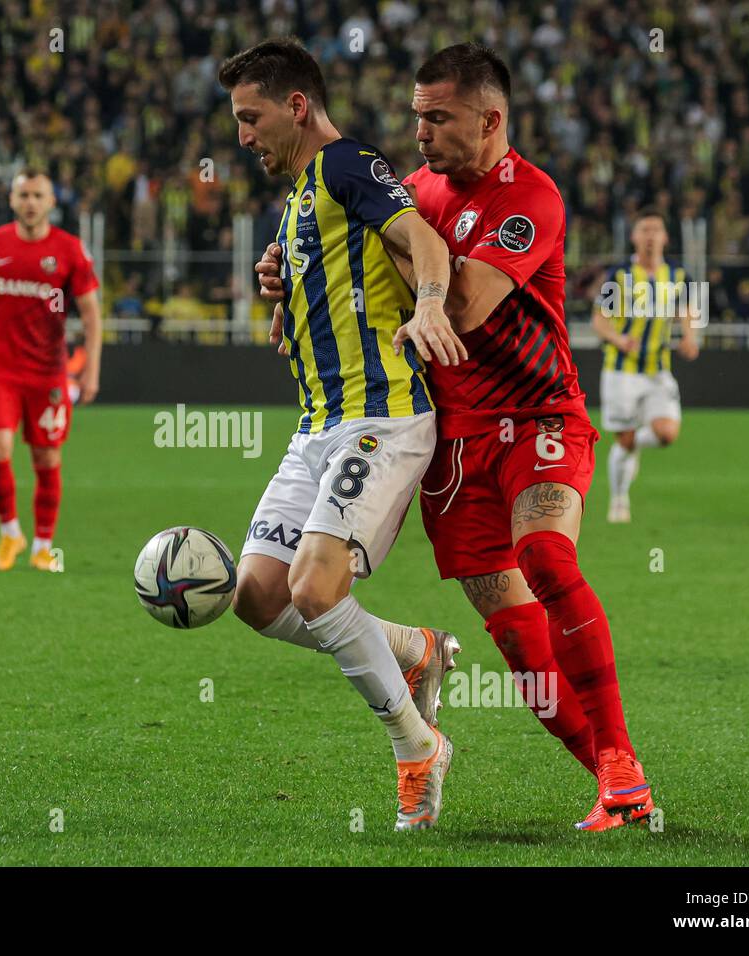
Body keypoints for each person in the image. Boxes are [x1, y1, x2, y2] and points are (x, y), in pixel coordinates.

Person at [257, 43, 653, 832]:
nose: (422, 131)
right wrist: (291, 269)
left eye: (439, 117)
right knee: (518, 645)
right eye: (416, 115)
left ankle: (619, 754)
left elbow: (465, 305)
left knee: (545, 555)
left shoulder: (530, 196)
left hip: (538, 416)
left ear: (490, 118)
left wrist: (377, 265)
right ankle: (616, 788)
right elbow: (348, 259)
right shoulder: (414, 189)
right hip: (455, 443)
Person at [221, 38, 466, 831]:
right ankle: (414, 649)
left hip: (382, 418)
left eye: (250, 118)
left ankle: (415, 747)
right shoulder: (298, 197)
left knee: (316, 589)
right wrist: (283, 289)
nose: (242, 136)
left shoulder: (347, 164)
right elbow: (336, 275)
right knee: (256, 595)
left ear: (297, 107)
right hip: (317, 425)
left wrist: (431, 300)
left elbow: (422, 239)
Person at [0, 169, 102, 571]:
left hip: (49, 374)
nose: (31, 202)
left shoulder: (70, 250)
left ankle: (42, 545)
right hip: (0, 368)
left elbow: (91, 314)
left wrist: (90, 369)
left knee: (46, 458)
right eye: (24, 195)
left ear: (52, 202)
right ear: (12, 200)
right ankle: (9, 534)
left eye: (38, 195)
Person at [591, 210, 700, 523]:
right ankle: (619, 499)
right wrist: (618, 338)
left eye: (656, 229)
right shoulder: (619, 275)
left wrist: (690, 337)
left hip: (657, 369)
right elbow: (599, 321)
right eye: (644, 230)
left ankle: (632, 444)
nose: (651, 235)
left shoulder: (679, 276)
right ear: (634, 237)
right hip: (620, 370)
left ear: (665, 237)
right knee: (623, 440)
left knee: (667, 434)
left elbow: (689, 309)